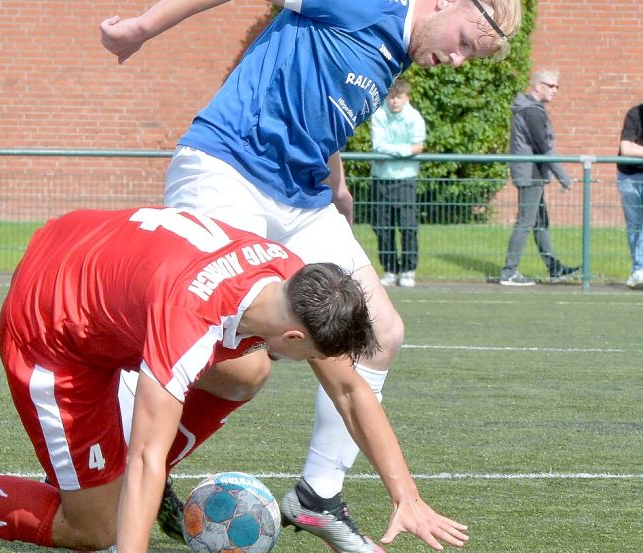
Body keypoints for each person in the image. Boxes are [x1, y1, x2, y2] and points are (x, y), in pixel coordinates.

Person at [100, 0, 520, 551]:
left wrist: (338, 184)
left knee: (380, 333)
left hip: (301, 197)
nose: (459, 60)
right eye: (465, 41)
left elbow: (320, 105)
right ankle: (112, 469)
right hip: (230, 169)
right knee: (224, 349)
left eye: (472, 56)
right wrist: (142, 28)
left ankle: (318, 496)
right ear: (448, 3)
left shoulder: (399, 50)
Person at [0, 206, 473, 553]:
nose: (320, 364)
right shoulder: (188, 322)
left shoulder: (288, 274)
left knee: (246, 370)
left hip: (84, 249)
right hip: (52, 327)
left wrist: (406, 494)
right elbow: (146, 459)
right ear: (296, 335)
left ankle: (132, 506)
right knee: (97, 528)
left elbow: (348, 388)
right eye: (313, 353)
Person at [498, 69, 580, 286]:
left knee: (540, 222)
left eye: (557, 87)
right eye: (551, 86)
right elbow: (545, 149)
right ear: (537, 85)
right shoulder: (532, 112)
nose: (555, 91)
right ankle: (509, 272)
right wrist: (565, 177)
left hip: (533, 173)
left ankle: (555, 268)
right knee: (525, 223)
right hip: (530, 175)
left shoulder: (532, 110)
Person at [370, 79, 427, 288]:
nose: (394, 101)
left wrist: (390, 151)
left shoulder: (414, 117)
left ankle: (409, 270)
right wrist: (404, 151)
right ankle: (390, 269)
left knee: (408, 226)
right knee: (383, 226)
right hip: (381, 178)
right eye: (391, 97)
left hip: (406, 178)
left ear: (407, 98)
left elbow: (418, 147)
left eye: (399, 97)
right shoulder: (378, 115)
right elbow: (377, 145)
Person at [616, 102, 643, 289]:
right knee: (634, 225)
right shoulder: (635, 114)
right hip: (629, 175)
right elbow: (626, 149)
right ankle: (639, 270)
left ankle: (639, 269)